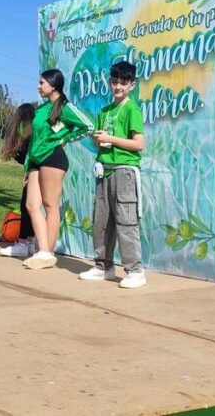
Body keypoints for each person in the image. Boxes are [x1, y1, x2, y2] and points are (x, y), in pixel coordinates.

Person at [79, 61, 147, 288]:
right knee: (101, 221)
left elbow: (138, 144)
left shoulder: (131, 109)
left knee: (126, 222)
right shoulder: (105, 111)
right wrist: (99, 140)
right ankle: (103, 266)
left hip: (124, 171)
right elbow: (101, 144)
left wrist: (111, 139)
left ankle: (135, 271)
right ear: (109, 81)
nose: (118, 86)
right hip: (104, 170)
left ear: (131, 85)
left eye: (123, 82)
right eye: (115, 81)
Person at [22, 69, 95, 269]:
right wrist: (28, 166)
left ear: (53, 85)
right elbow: (34, 139)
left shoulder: (64, 107)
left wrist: (64, 138)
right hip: (36, 160)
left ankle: (46, 252)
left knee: (49, 205)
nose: (38, 86)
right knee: (31, 205)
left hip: (53, 158)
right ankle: (43, 250)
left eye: (42, 83)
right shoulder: (41, 109)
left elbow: (88, 126)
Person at [0, 103, 37, 257]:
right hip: (41, 168)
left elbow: (26, 154)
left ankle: (23, 243)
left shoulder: (27, 131)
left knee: (28, 205)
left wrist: (28, 169)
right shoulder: (33, 129)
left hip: (36, 169)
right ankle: (31, 242)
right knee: (32, 206)